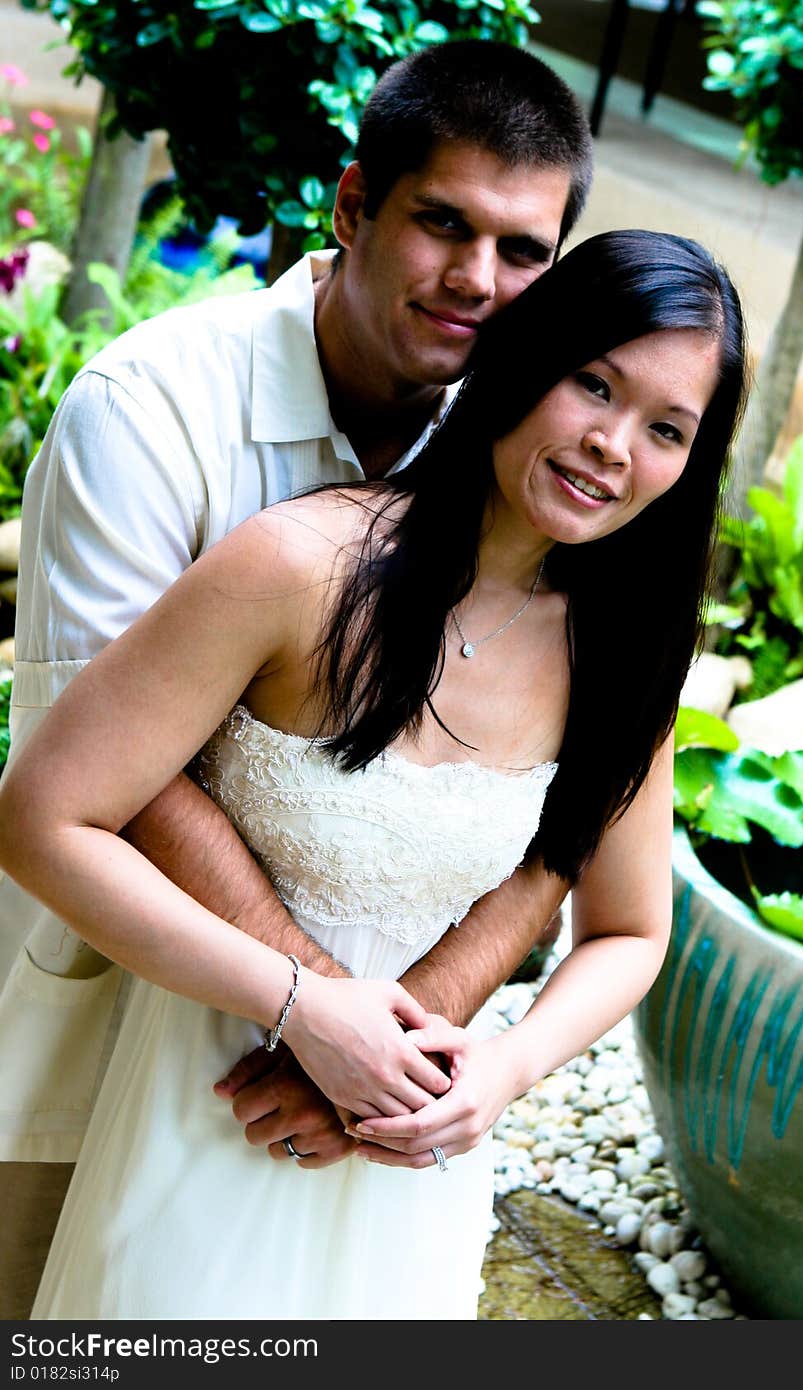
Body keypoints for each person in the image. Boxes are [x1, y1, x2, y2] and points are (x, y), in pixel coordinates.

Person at [0, 228, 748, 1319]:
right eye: (594, 383)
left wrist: (500, 1068)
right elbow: (42, 818)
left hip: (413, 1164)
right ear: (525, 357)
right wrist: (303, 1006)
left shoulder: (621, 656)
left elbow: (629, 930)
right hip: (212, 1108)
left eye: (667, 428)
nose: (612, 445)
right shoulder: (296, 566)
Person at [0, 39, 593, 1315]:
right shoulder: (145, 409)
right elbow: (110, 768)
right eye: (442, 222)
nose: (477, 280)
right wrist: (329, 1020)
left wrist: (398, 1044)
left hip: (350, 1100)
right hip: (89, 1013)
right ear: (349, 204)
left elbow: (570, 783)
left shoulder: (530, 454)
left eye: (523, 251)